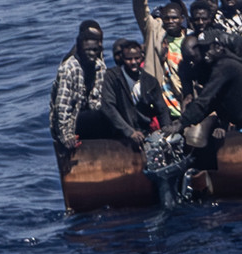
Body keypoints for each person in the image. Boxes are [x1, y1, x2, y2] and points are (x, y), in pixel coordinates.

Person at [179, 29, 242, 133]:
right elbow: (214, 102)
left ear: (218, 47)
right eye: (202, 50)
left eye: (208, 48)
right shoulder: (217, 67)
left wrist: (182, 122)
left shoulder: (225, 66)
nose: (205, 53)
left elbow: (205, 99)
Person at [49, 20, 109, 170]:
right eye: (88, 50)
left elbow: (100, 98)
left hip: (88, 114)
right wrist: (66, 136)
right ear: (79, 49)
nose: (92, 54)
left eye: (95, 50)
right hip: (69, 123)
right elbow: (62, 108)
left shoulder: (99, 66)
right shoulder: (69, 68)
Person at [100, 40, 178, 147]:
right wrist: (129, 132)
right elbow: (108, 107)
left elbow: (162, 108)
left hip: (143, 131)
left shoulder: (150, 81)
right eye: (129, 59)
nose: (133, 62)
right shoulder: (111, 77)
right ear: (122, 58)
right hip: (119, 132)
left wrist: (166, 129)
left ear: (142, 57)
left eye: (136, 58)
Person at [133, 0, 186, 119]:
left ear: (181, 19)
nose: (170, 21)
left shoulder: (189, 39)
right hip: (158, 105)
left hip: (182, 103)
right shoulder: (154, 32)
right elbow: (140, 10)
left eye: (174, 18)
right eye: (166, 18)